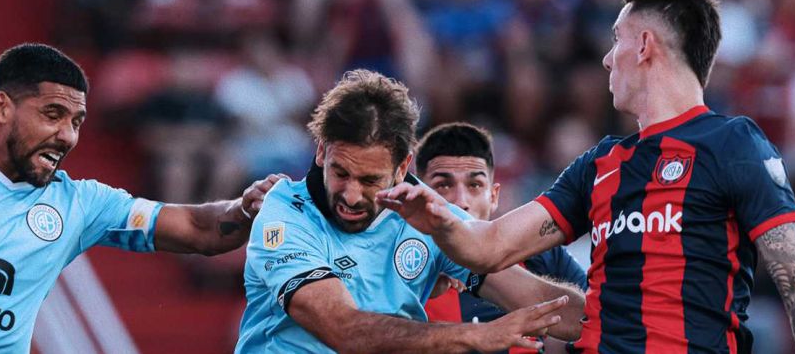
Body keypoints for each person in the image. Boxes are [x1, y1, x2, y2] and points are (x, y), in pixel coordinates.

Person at [379, 0, 795, 354]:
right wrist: (435, 217)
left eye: (615, 40)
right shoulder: (599, 165)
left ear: (644, 46)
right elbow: (489, 246)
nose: (605, 57)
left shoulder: (733, 142)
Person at [0, 43, 284, 352]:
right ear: (1, 108)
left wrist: (244, 207)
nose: (67, 136)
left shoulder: (80, 203)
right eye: (52, 115)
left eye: (77, 121)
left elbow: (197, 229)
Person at [235, 69, 586, 353]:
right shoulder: (284, 214)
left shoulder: (431, 217)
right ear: (321, 153)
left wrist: (634, 329)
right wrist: (473, 335)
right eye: (341, 173)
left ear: (402, 168)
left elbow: (538, 299)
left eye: (371, 180)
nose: (352, 195)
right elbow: (344, 330)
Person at [417, 122, 587, 354]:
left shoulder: (537, 254)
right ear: (420, 192)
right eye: (443, 185)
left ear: (494, 196)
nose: (460, 201)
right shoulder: (401, 260)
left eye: (474, 184)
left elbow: (597, 321)